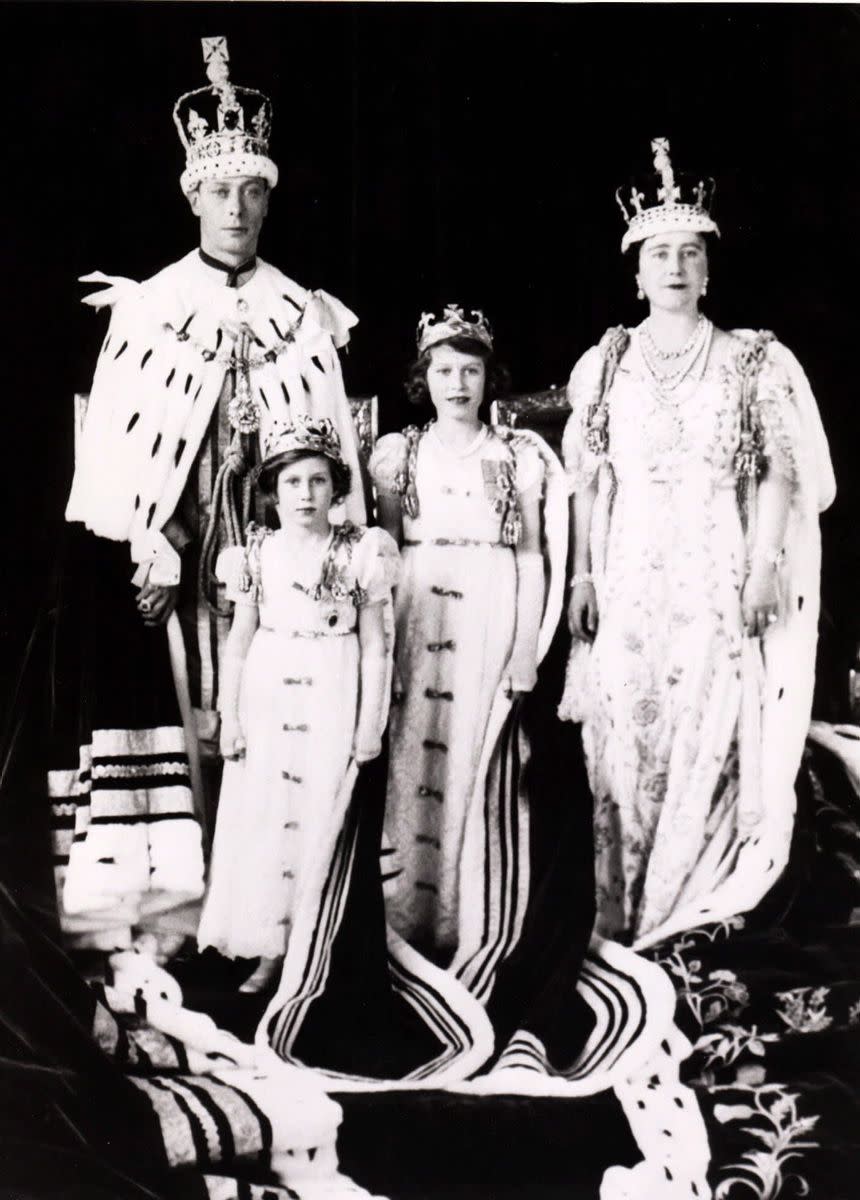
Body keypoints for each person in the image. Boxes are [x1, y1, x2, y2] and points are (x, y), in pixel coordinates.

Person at [49, 37, 364, 950]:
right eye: (220, 192)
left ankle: (274, 910)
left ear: (270, 196)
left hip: (279, 550)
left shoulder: (302, 312)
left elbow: (332, 451)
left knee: (274, 712)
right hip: (180, 551)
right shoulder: (147, 309)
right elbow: (114, 455)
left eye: (252, 191)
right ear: (192, 195)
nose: (237, 207)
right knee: (190, 707)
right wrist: (154, 538)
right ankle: (185, 911)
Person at [559, 138, 835, 947]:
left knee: (706, 728)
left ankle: (685, 918)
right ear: (634, 271)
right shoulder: (605, 363)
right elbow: (591, 480)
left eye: (688, 253)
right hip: (630, 569)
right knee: (624, 732)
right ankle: (621, 920)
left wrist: (763, 568)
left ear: (708, 270)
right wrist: (582, 576)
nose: (674, 267)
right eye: (658, 254)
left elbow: (781, 476)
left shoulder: (753, 358)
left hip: (717, 568)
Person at [369, 305, 560, 961]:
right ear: (426, 377)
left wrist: (523, 651)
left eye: (470, 371)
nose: (457, 385)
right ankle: (405, 919)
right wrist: (385, 645)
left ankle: (465, 921)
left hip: (488, 604)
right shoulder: (401, 454)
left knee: (475, 761)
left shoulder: (516, 458)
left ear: (489, 377)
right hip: (419, 607)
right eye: (444, 370)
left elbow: (531, 555)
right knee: (412, 759)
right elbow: (388, 552)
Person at [196, 416, 398, 991]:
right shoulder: (255, 554)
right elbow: (238, 643)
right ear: (272, 490)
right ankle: (270, 948)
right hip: (268, 690)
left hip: (331, 688)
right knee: (265, 815)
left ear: (336, 488)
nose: (305, 494)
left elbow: (375, 648)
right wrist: (229, 716)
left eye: (317, 481)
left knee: (321, 815)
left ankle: (319, 945)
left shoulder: (362, 551)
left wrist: (370, 725)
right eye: (292, 483)